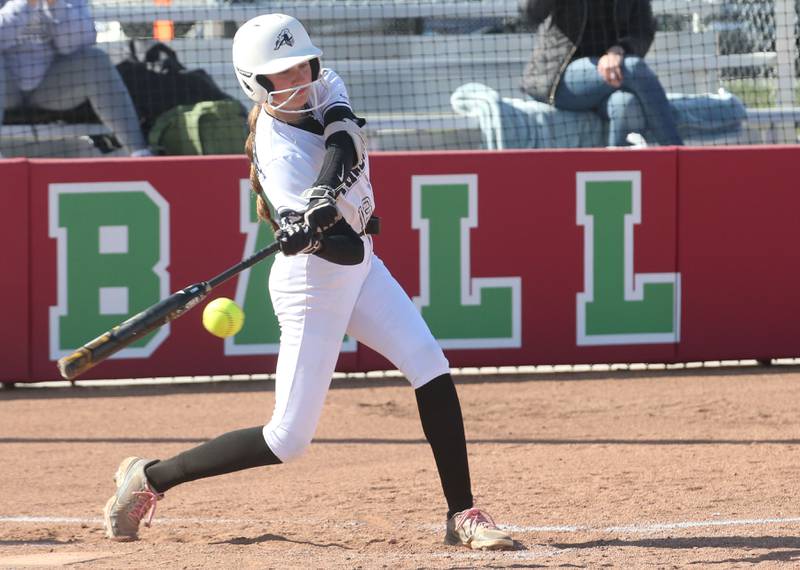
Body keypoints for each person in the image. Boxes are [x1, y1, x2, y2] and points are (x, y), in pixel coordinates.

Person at [102, 13, 515, 551]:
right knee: (286, 440)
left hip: (363, 267)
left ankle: (463, 513)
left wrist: (323, 198)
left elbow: (343, 133)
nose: (298, 80)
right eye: (282, 74)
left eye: (302, 65)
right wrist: (316, 234)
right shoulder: (279, 157)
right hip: (313, 283)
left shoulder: (323, 86)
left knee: (430, 366)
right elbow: (339, 252)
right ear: (256, 85)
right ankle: (151, 477)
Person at [520, 0, 684, 147]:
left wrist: (620, 49)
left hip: (610, 79)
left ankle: (616, 173)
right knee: (634, 68)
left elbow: (643, 31)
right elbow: (530, 14)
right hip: (559, 78)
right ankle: (681, 158)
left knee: (626, 105)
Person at [0, 0, 150, 156]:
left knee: (95, 59)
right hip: (7, 90)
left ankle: (140, 154)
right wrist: (26, 4)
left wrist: (55, 6)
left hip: (50, 88)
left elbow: (80, 42)